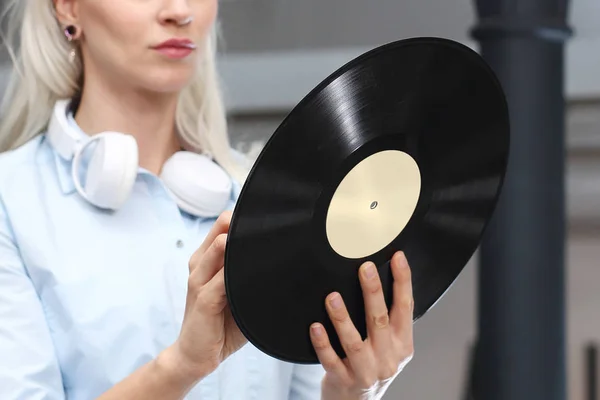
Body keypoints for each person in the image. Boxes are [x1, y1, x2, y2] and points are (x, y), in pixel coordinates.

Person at [0, 1, 415, 399]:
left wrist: (350, 394)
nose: (179, 11)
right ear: (69, 6)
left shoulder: (272, 198)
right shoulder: (11, 203)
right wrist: (181, 367)